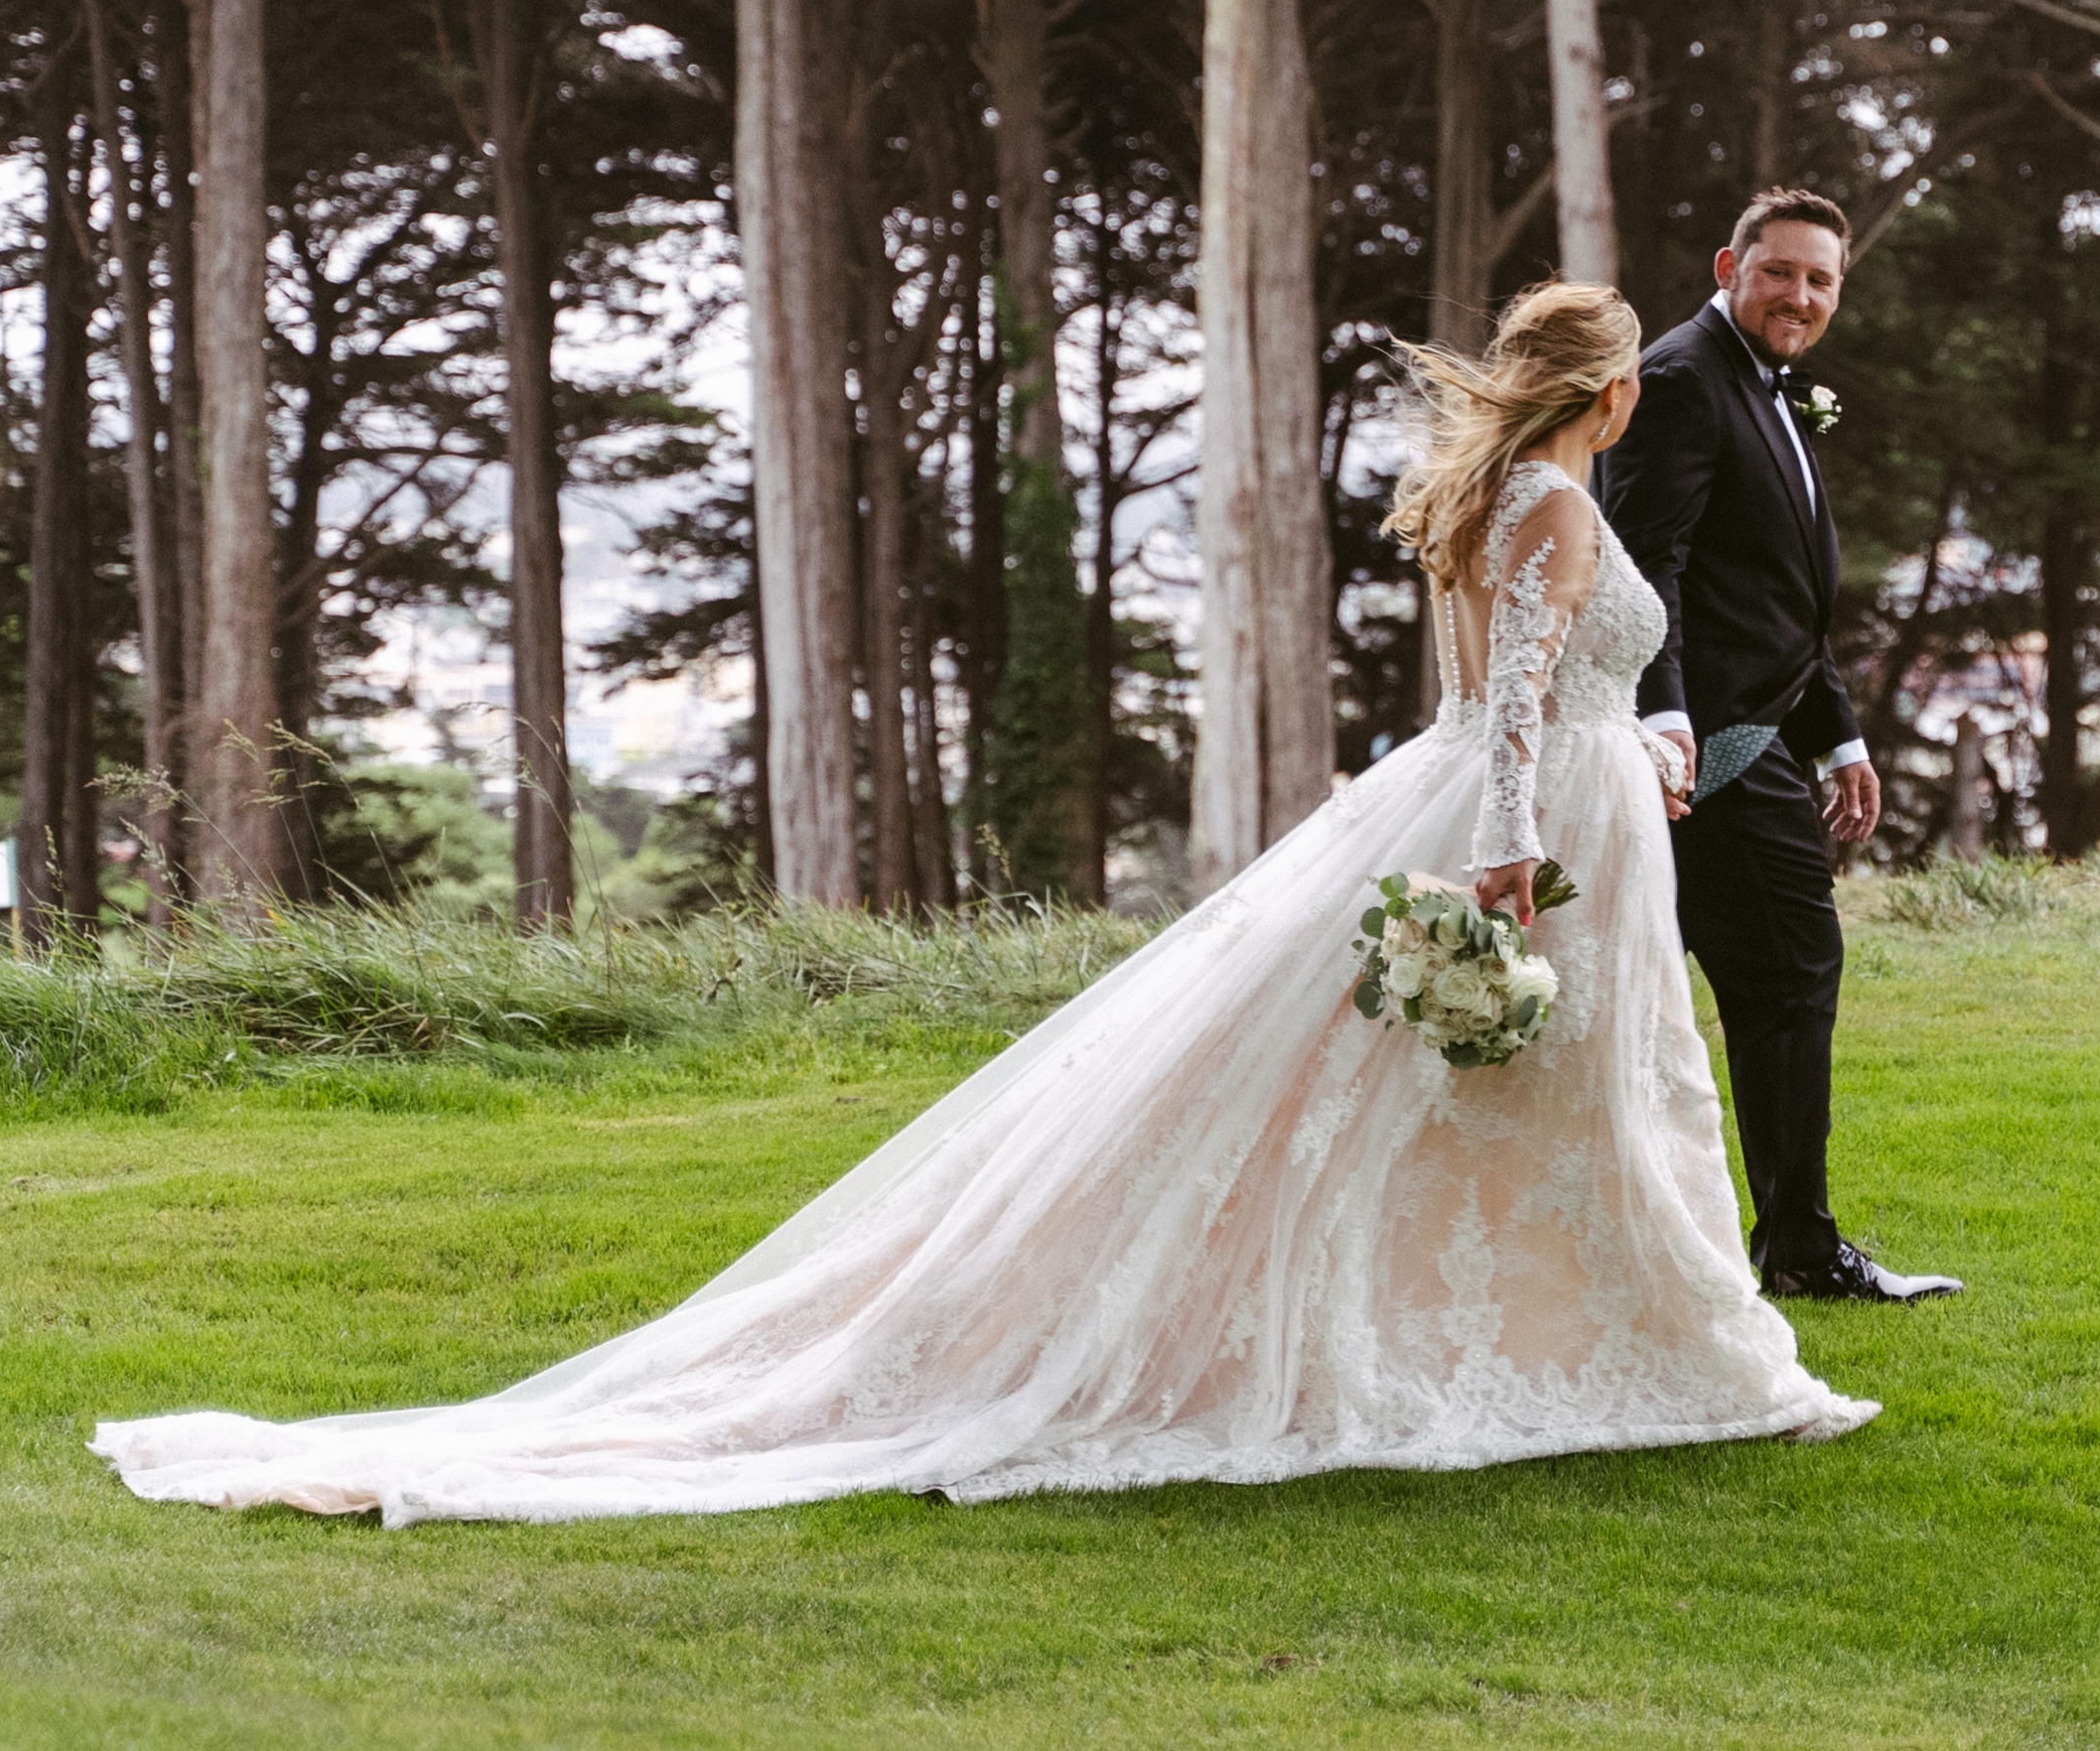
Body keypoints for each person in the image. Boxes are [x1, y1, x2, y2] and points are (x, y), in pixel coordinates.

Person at [89, 284, 1873, 1526]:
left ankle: (1566, 1322)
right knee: (1525, 1098)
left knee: (1512, 1107)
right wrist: (1513, 850)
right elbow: (1505, 706)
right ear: (1616, 385)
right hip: (1532, 825)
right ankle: (1603, 1338)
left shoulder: (1512, 493)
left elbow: (1538, 685)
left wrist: (1628, 751)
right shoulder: (1558, 508)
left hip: (1569, 804)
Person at [1599, 189, 1962, 1305]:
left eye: (1820, 279)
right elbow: (1645, 564)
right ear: (1730, 265)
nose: (1799, 295)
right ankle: (1796, 1249)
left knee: (1708, 980)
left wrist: (1837, 732)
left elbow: (1771, 597)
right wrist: (1667, 724)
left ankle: (1765, 1240)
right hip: (1704, 745)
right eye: (1780, 273)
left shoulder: (1769, 388)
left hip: (1763, 729)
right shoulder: (1678, 379)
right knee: (1789, 970)